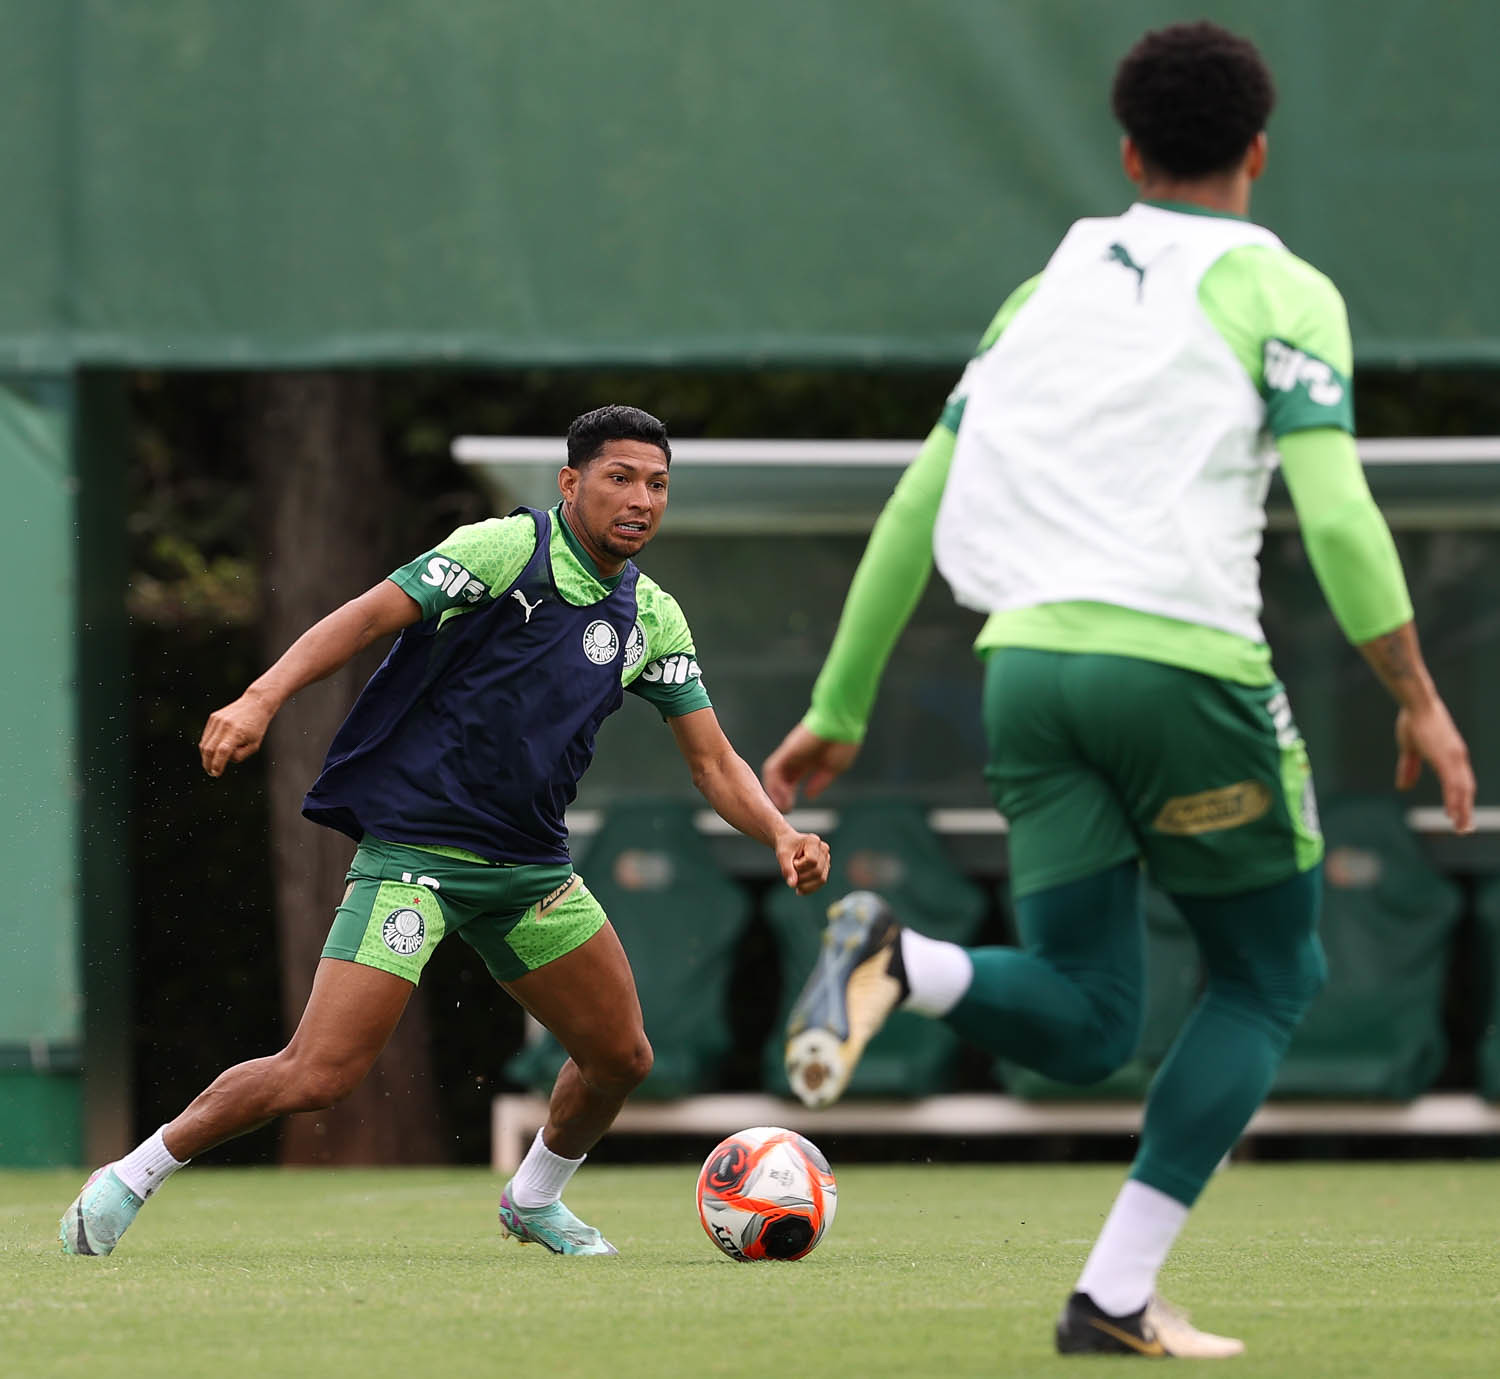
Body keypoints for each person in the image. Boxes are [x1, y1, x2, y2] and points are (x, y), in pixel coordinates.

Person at [762, 21, 1474, 1359]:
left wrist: (840, 703)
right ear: (1258, 152)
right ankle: (1112, 1292)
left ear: (1129, 152)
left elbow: (923, 497)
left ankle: (897, 958)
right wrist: (1419, 695)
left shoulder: (1041, 294)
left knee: (1089, 1017)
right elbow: (1335, 513)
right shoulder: (1284, 288)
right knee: (1270, 972)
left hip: (1028, 673)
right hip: (1183, 671)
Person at [63, 403, 830, 1259]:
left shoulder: (652, 616)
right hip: (417, 858)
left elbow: (715, 763)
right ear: (570, 483)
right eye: (619, 477)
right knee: (320, 1073)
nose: (640, 499)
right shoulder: (503, 551)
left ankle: (534, 1197)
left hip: (533, 873)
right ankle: (131, 1173)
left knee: (620, 1058)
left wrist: (778, 833)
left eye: (657, 484)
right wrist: (260, 697)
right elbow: (360, 618)